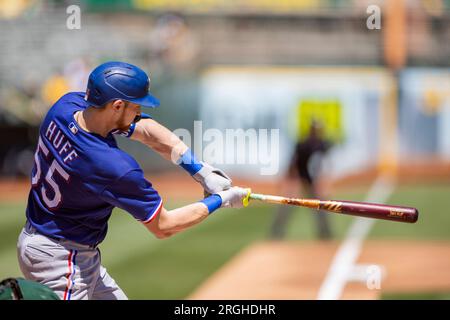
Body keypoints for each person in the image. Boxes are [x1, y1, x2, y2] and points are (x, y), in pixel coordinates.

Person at [17, 61, 248, 300]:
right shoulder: (112, 166)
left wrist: (202, 171)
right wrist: (220, 200)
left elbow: (147, 131)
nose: (139, 112)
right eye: (136, 105)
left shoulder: (66, 106)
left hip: (49, 242)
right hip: (61, 260)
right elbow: (164, 226)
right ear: (117, 106)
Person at [270, 120, 333, 240]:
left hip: (310, 180)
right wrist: (290, 180)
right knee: (289, 205)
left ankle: (325, 232)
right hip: (300, 178)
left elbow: (323, 163)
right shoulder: (305, 144)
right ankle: (277, 231)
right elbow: (294, 163)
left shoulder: (319, 145)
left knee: (319, 206)